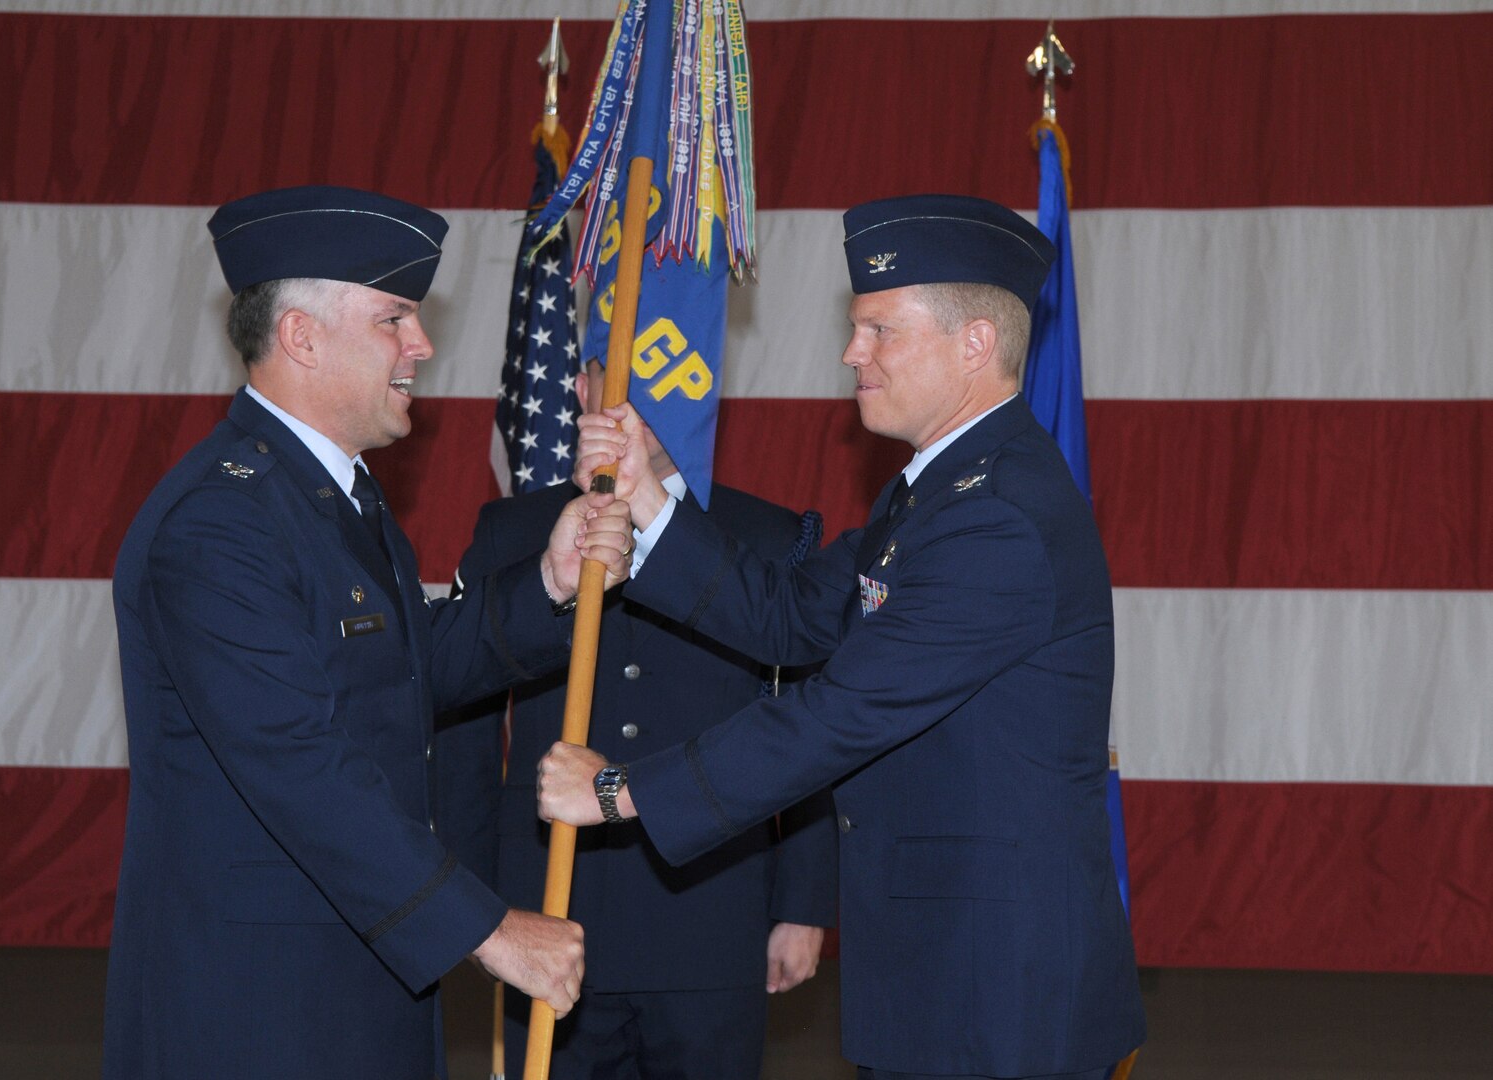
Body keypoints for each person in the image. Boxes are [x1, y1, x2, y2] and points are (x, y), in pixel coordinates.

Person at [538, 194, 1147, 1079]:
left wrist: (624, 790)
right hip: (939, 967)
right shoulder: (933, 492)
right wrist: (649, 495)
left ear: (975, 344)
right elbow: (789, 615)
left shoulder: (999, 517)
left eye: (879, 331)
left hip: (999, 990)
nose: (850, 353)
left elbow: (841, 713)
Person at [103, 184, 633, 1080]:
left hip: (354, 985)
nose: (421, 345)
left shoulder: (328, 493)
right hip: (257, 1015)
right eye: (395, 319)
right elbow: (299, 764)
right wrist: (489, 929)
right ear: (302, 337)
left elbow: (403, 667)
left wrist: (548, 580)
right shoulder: (220, 523)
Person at [443, 357, 837, 1080]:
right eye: (608, 374)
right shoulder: (512, 532)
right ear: (582, 390)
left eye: (661, 378)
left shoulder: (767, 540)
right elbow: (463, 729)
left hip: (712, 912)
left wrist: (802, 903)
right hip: (549, 909)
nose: (630, 401)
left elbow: (806, 731)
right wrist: (473, 907)